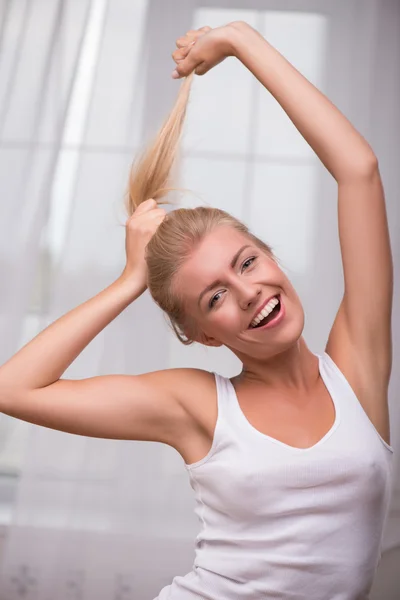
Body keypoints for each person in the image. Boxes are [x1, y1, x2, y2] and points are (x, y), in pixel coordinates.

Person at [0, 20, 394, 600]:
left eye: (248, 261)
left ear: (272, 259)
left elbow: (358, 170)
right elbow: (13, 389)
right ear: (201, 335)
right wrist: (130, 280)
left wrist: (241, 41)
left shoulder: (357, 367)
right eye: (214, 298)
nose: (248, 292)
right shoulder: (197, 404)